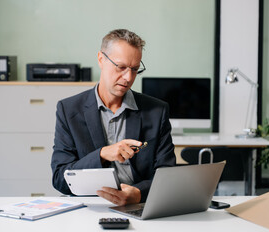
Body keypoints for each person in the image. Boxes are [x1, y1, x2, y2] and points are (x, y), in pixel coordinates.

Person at [51, 29, 176, 206]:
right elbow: (60, 179)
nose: (128, 77)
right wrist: (101, 155)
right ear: (101, 59)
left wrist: (139, 194)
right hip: (89, 206)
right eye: (121, 67)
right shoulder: (68, 110)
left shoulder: (157, 111)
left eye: (135, 69)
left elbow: (167, 175)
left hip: (139, 205)